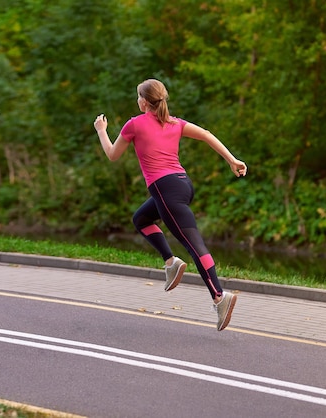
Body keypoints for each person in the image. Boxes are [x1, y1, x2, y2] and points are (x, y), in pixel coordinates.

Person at [93, 78, 247, 331]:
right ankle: (171, 262)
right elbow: (207, 135)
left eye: (137, 97)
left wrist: (101, 130)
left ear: (143, 101)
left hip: (165, 190)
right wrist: (232, 160)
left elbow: (112, 155)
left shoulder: (134, 124)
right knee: (141, 219)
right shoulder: (174, 122)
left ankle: (220, 297)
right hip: (183, 185)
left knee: (194, 244)